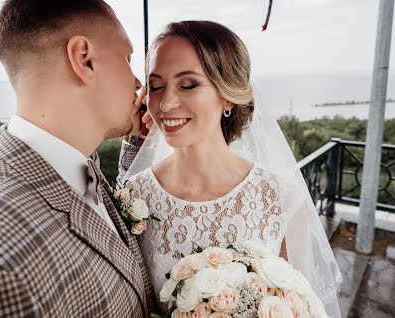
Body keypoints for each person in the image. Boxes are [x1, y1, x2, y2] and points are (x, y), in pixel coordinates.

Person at [0, 1, 155, 317]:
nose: (137, 84)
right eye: (127, 58)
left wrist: (138, 148)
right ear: (84, 59)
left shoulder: (72, 163)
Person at [119, 20, 342, 317]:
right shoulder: (134, 195)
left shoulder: (279, 197)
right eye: (156, 86)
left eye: (188, 84)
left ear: (227, 95)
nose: (166, 103)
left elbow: (298, 305)